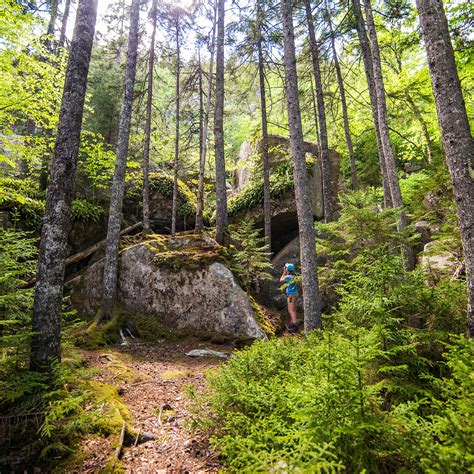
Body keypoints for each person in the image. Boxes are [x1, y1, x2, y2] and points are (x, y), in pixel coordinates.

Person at [280, 263, 301, 333]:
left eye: (285, 268)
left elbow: (281, 280)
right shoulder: (295, 276)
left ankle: (295, 326)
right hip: (295, 294)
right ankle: (293, 323)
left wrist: (284, 273)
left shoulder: (288, 277)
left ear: (287, 269)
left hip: (291, 295)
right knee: (294, 309)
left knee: (290, 310)